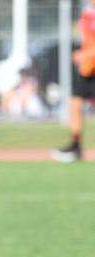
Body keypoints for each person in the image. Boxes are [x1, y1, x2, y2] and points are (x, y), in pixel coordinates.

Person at [52, 0, 95, 163]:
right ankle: (76, 145)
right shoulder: (87, 12)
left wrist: (85, 55)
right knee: (75, 103)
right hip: (88, 70)